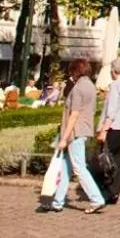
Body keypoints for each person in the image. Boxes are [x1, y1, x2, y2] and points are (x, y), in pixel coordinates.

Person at [39, 59, 105, 214]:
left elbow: (74, 115)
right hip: (84, 130)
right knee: (66, 167)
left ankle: (96, 198)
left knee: (78, 167)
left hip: (75, 132)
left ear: (76, 71)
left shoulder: (78, 89)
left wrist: (63, 138)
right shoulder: (90, 86)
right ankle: (57, 201)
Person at [95, 57, 120, 205]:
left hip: (114, 127)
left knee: (104, 160)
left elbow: (111, 111)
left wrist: (104, 130)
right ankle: (114, 192)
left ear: (114, 70)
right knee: (119, 160)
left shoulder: (115, 86)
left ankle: (104, 191)